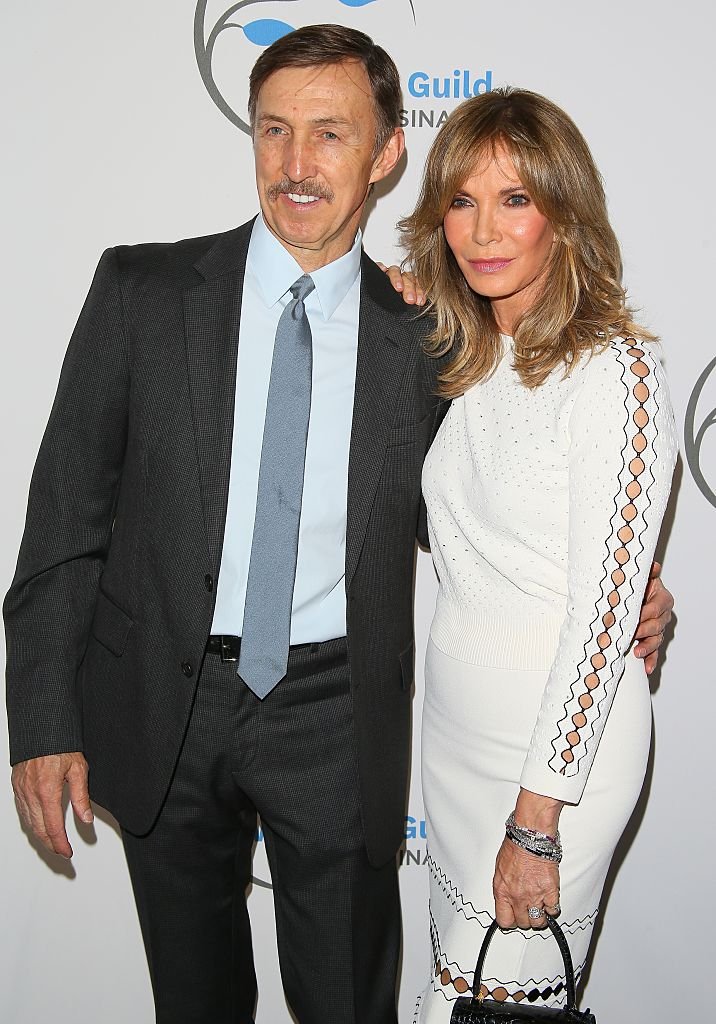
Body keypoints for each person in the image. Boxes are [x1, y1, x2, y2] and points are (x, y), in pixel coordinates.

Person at [3, 25, 671, 1024]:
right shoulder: (141, 292)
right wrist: (43, 721)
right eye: (275, 131)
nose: (296, 163)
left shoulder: (424, 338)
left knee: (348, 1005)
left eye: (328, 134)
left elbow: (503, 501)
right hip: (162, 702)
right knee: (193, 1002)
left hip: (334, 711)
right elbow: (61, 519)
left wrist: (634, 586)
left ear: (385, 154)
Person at [397, 88, 677, 1020]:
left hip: (556, 760)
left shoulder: (615, 370)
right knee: (452, 998)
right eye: (462, 200)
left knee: (498, 1009)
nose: (484, 229)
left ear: (565, 212)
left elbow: (603, 621)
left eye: (515, 199)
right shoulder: (462, 358)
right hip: (454, 740)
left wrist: (538, 824)